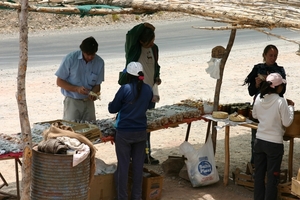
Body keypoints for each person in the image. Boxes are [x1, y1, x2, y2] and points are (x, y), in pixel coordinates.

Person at [118, 22, 162, 165]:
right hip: (135, 94)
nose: (151, 44)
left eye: (153, 40)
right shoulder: (134, 49)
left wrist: (157, 76)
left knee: (148, 125)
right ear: (141, 41)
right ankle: (134, 156)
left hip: (150, 94)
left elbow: (156, 66)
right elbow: (130, 35)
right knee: (135, 125)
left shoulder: (154, 49)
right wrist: (144, 26)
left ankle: (145, 154)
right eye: (149, 41)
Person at [109, 62, 153, 200]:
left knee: (123, 167)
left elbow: (112, 109)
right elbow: (150, 105)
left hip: (124, 133)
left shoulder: (125, 89)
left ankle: (122, 197)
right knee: (138, 167)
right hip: (140, 132)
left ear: (128, 75)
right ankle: (137, 196)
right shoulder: (147, 89)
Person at [252, 73, 294, 200]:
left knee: (259, 175)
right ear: (278, 87)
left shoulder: (259, 97)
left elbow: (254, 115)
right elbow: (287, 122)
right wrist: (291, 107)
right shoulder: (281, 101)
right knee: (272, 177)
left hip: (259, 141)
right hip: (274, 144)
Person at [243, 44, 286, 164]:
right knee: (255, 137)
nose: (273, 58)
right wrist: (257, 85)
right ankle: (255, 163)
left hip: (274, 106)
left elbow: (283, 91)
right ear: (264, 55)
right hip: (260, 104)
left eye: (275, 56)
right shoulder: (257, 69)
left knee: (271, 135)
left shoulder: (280, 71)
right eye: (270, 55)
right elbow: (251, 92)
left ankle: (267, 164)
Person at [55, 36, 104, 122]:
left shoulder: (99, 62)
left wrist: (94, 93)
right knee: (72, 130)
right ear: (82, 51)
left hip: (89, 102)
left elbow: (97, 85)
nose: (90, 57)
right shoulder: (70, 59)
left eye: (92, 54)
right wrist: (76, 89)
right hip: (73, 101)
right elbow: (59, 82)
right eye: (87, 54)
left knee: (90, 129)